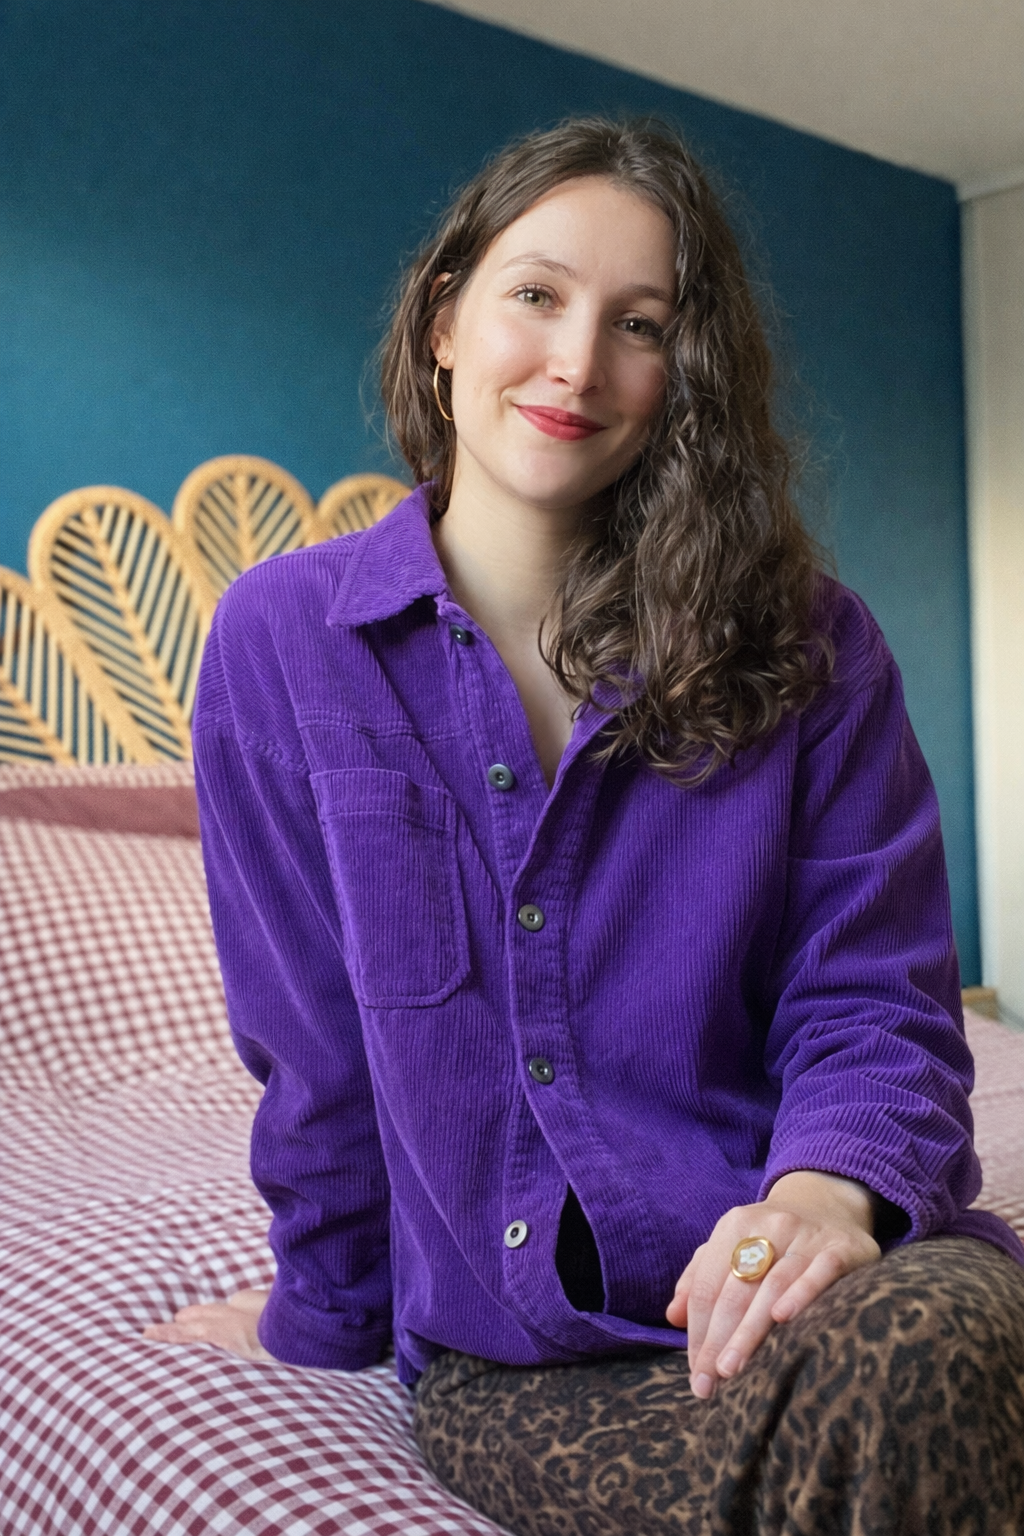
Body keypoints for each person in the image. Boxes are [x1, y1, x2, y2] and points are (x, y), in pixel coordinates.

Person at [145, 118, 1024, 1533]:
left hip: (821, 1274)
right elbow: (316, 1054)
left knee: (936, 1350)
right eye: (537, 295)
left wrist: (825, 1198)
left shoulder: (813, 644)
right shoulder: (283, 643)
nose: (576, 363)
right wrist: (321, 1314)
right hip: (527, 1355)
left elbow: (874, 996)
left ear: (684, 375)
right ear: (445, 322)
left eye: (640, 324)